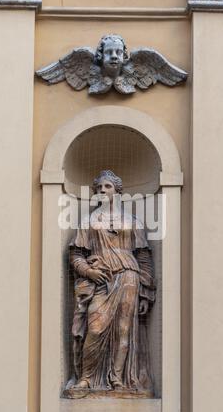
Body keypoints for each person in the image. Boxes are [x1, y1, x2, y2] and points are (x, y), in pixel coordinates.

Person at [66, 170, 156, 396]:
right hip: (101, 279)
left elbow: (144, 257)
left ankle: (118, 380)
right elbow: (75, 254)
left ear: (117, 190)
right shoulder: (88, 222)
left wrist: (146, 292)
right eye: (98, 188)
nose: (102, 191)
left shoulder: (132, 222)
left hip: (129, 275)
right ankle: (86, 378)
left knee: (123, 330)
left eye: (106, 187)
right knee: (95, 328)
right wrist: (89, 272)